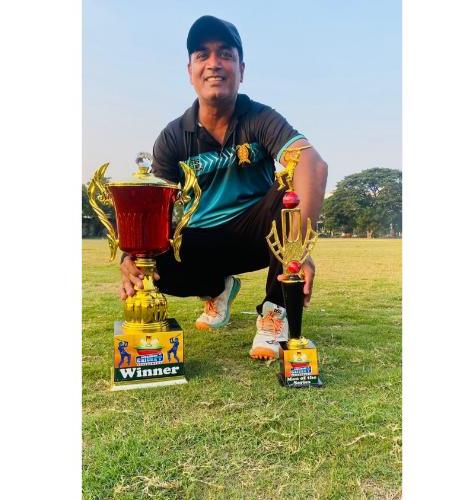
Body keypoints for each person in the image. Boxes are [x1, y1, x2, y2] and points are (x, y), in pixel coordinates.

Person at [120, 15, 328, 360]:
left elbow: (313, 165)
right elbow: (155, 208)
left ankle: (274, 314)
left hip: (257, 235)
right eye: (202, 55)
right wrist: (131, 257)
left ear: (241, 70)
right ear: (190, 70)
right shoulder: (173, 137)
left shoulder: (261, 118)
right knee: (152, 265)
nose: (214, 63)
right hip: (201, 240)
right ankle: (217, 288)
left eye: (225, 54)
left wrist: (298, 248)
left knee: (287, 194)